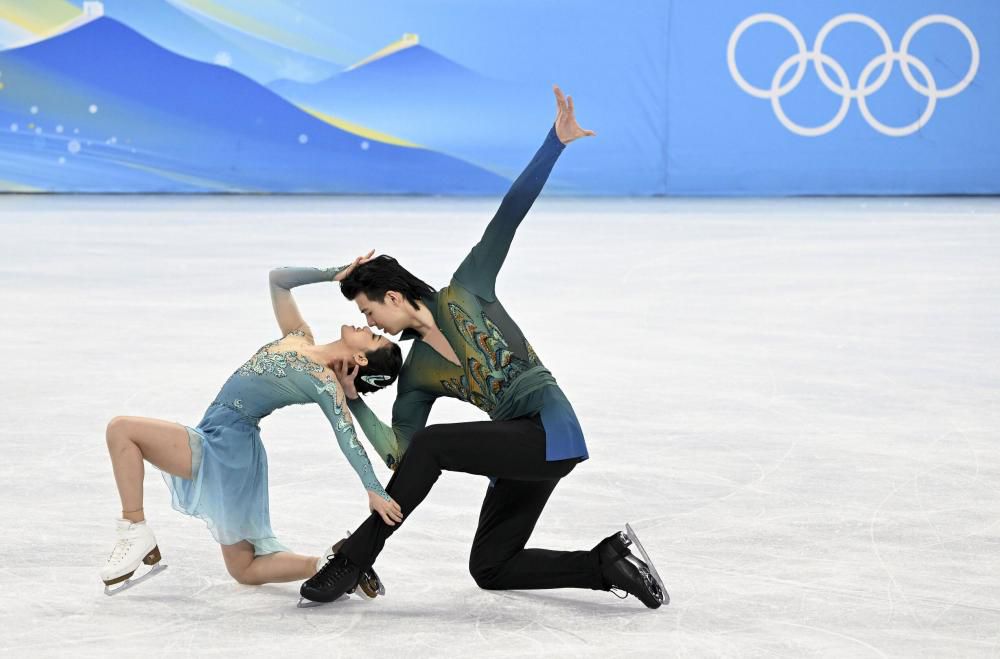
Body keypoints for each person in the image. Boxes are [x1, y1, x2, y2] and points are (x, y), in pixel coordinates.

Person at [299, 86, 668, 609]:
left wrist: (554, 143)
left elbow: (510, 212)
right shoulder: (418, 373)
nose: (368, 321)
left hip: (549, 428)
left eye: (367, 311)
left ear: (393, 295)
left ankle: (355, 557)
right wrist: (353, 400)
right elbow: (401, 457)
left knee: (436, 445)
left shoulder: (466, 289)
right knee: (492, 566)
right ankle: (604, 563)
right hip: (518, 450)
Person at [100, 257, 404, 596]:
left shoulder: (323, 383)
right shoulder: (299, 336)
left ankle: (134, 530)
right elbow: (278, 280)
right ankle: (333, 560)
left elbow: (346, 436)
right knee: (244, 569)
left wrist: (373, 487)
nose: (368, 327)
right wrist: (336, 273)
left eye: (374, 338)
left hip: (226, 447)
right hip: (228, 443)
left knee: (122, 430)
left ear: (361, 359)